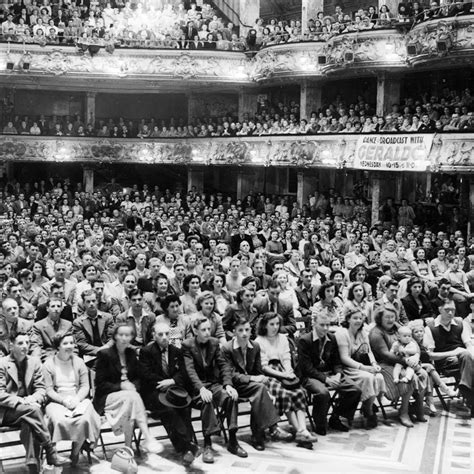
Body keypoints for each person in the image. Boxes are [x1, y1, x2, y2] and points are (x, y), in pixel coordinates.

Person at [0, 331, 68, 473]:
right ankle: (50, 450)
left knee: (30, 423)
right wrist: (23, 400)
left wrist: (34, 398)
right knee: (34, 412)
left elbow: (41, 389)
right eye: (20, 343)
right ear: (11, 345)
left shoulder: (34, 362)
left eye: (27, 343)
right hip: (7, 411)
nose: (25, 346)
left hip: (29, 411)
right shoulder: (2, 364)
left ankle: (33, 466)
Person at [182, 317, 246, 464]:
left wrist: (228, 385)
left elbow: (224, 365)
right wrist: (201, 388)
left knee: (230, 397)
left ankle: (233, 440)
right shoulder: (187, 345)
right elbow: (190, 371)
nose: (207, 332)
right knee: (207, 400)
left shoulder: (214, 343)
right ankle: (208, 444)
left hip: (213, 384)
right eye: (203, 329)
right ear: (195, 331)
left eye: (208, 329)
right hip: (195, 388)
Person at [93, 323, 163, 454]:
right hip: (108, 397)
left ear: (131, 337)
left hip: (129, 398)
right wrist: (121, 386)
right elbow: (100, 384)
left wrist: (132, 387)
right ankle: (147, 437)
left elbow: (138, 377)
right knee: (132, 397)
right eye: (121, 335)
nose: (124, 338)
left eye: (127, 335)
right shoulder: (104, 354)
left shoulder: (131, 353)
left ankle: (128, 448)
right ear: (115, 336)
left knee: (131, 401)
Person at [139, 322, 198, 466]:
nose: (165, 337)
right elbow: (146, 375)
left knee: (184, 406)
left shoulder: (176, 351)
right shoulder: (146, 352)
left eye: (167, 334)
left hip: (173, 390)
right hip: (154, 392)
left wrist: (171, 381)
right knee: (169, 410)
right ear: (154, 335)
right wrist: (164, 382)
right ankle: (187, 447)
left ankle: (186, 446)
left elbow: (183, 373)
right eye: (160, 334)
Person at [255, 312, 317, 444]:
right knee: (285, 394)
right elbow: (264, 367)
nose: (275, 327)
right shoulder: (259, 341)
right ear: (265, 325)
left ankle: (303, 429)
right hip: (270, 375)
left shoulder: (283, 338)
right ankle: (299, 431)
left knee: (299, 392)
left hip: (283, 370)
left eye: (277, 324)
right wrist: (283, 375)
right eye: (272, 324)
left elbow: (286, 357)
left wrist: (288, 371)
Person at [222, 317, 282, 451]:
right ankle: (268, 430)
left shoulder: (255, 346)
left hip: (251, 385)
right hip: (232, 385)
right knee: (259, 389)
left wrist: (264, 385)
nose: (244, 333)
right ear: (233, 332)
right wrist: (252, 379)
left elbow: (258, 371)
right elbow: (230, 374)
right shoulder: (227, 348)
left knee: (260, 391)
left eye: (247, 330)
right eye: (240, 330)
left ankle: (258, 434)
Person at [42, 331, 101, 466]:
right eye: (65, 343)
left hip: (77, 398)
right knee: (58, 419)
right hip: (57, 400)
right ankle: (52, 454)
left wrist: (77, 399)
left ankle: (75, 452)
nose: (70, 346)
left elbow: (85, 386)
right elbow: (48, 389)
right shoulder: (48, 364)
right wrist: (63, 401)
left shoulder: (79, 362)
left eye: (71, 343)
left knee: (84, 419)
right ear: (57, 346)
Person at [297, 312, 362, 435]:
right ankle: (320, 423)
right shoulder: (304, 340)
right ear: (314, 324)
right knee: (323, 393)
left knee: (355, 389)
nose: (326, 328)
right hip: (310, 376)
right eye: (322, 325)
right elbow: (306, 368)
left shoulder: (332, 338)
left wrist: (337, 374)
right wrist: (325, 379)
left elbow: (337, 362)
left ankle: (336, 417)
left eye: (328, 325)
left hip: (330, 373)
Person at [369, 308, 427, 427]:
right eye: (387, 317)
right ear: (380, 318)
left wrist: (416, 357)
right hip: (384, 364)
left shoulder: (397, 327)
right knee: (409, 378)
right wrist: (406, 360)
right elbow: (385, 354)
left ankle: (418, 407)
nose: (391, 320)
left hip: (405, 361)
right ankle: (404, 411)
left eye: (393, 317)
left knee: (424, 374)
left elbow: (413, 342)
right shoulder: (376, 333)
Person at [335, 308, 385, 428]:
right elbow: (344, 358)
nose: (358, 321)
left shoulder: (363, 332)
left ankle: (367, 405)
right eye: (355, 318)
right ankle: (369, 412)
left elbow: (369, 351)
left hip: (362, 366)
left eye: (360, 318)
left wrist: (374, 364)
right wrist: (364, 368)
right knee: (368, 377)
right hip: (347, 368)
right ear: (348, 319)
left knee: (379, 377)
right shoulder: (342, 333)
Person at [423, 299, 474, 411]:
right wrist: (453, 353)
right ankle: (466, 389)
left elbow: (468, 344)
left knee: (467, 355)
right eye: (447, 310)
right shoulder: (430, 328)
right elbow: (430, 356)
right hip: (445, 362)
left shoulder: (461, 324)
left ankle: (466, 388)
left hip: (464, 360)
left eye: (453, 310)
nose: (450, 313)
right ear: (440, 309)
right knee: (465, 354)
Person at [72, 289, 115, 365]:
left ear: (97, 301)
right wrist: (100, 351)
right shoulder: (78, 322)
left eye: (93, 301)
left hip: (108, 354)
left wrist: (106, 348)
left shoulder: (108, 317)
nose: (91, 304)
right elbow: (82, 345)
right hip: (90, 358)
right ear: (84, 304)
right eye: (88, 302)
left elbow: (112, 338)